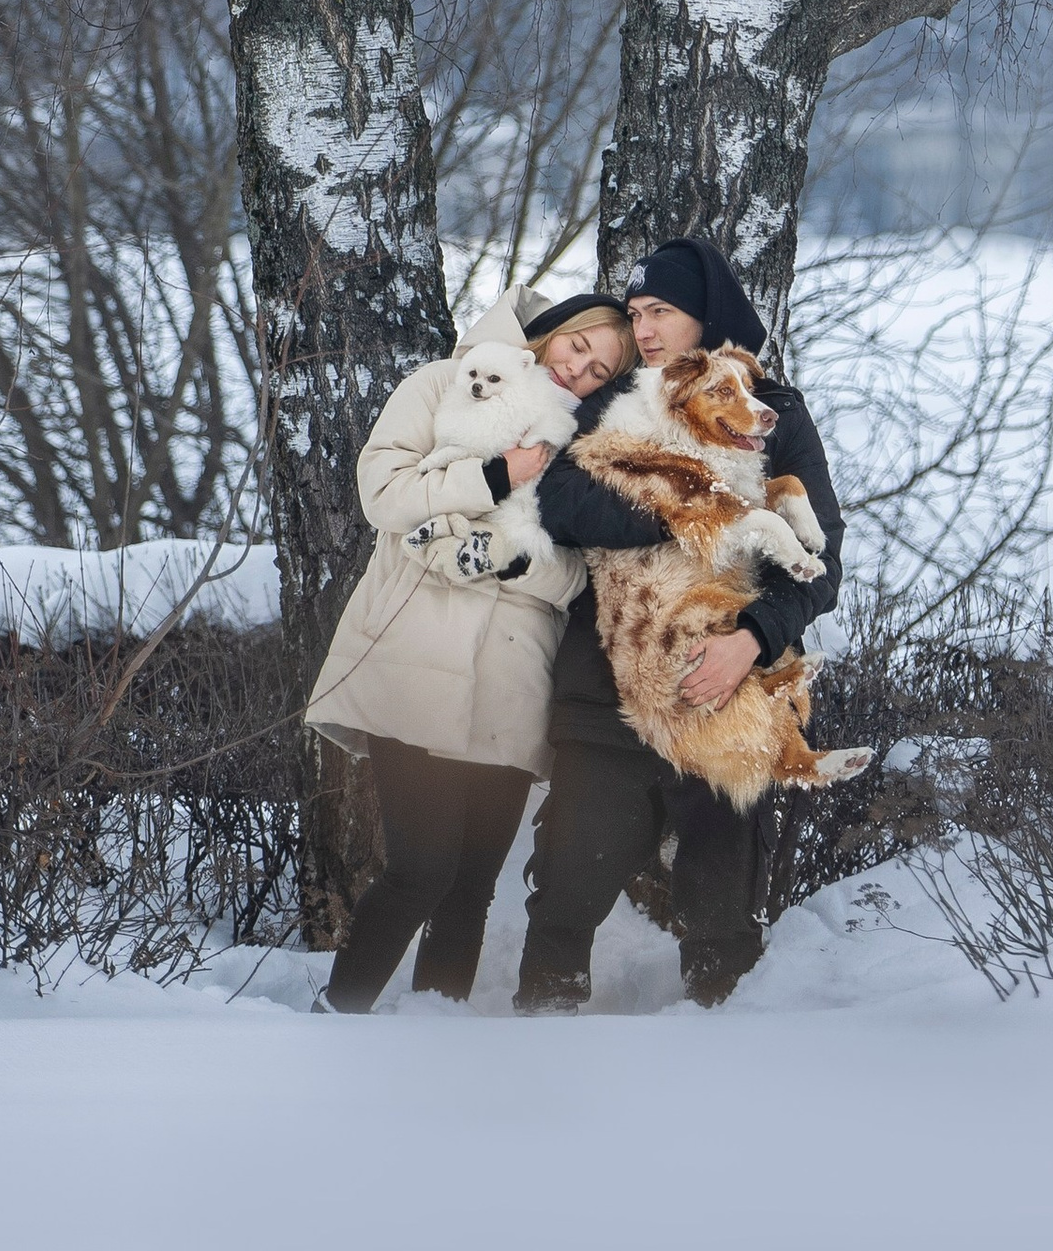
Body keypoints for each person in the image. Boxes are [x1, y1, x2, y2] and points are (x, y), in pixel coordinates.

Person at [507, 233, 844, 1012]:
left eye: (662, 311)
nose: (645, 330)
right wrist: (703, 513)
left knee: (723, 908)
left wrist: (752, 641)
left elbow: (820, 565)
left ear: (708, 318)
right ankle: (533, 1050)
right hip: (608, 690)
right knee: (566, 893)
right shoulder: (613, 406)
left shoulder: (774, 418)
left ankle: (718, 1057)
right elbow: (561, 504)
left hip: (728, 688)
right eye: (635, 312)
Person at [305, 287, 636, 1012]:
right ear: (550, 332)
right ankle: (337, 1020)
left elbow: (581, 570)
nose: (580, 372)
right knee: (421, 870)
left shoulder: (583, 443)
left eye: (600, 372)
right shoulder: (440, 383)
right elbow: (384, 494)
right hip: (416, 653)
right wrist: (497, 476)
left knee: (471, 889)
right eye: (577, 348)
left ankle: (439, 1042)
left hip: (513, 676)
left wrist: (515, 562)